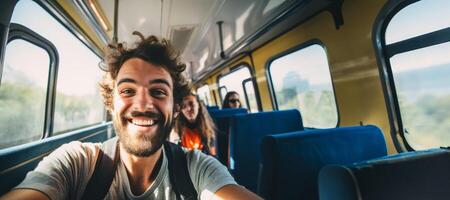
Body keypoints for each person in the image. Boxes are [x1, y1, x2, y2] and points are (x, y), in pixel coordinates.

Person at [0, 32, 261, 200]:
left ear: (176, 106)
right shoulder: (76, 163)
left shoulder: (198, 168)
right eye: (127, 90)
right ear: (111, 102)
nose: (143, 103)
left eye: (158, 91)